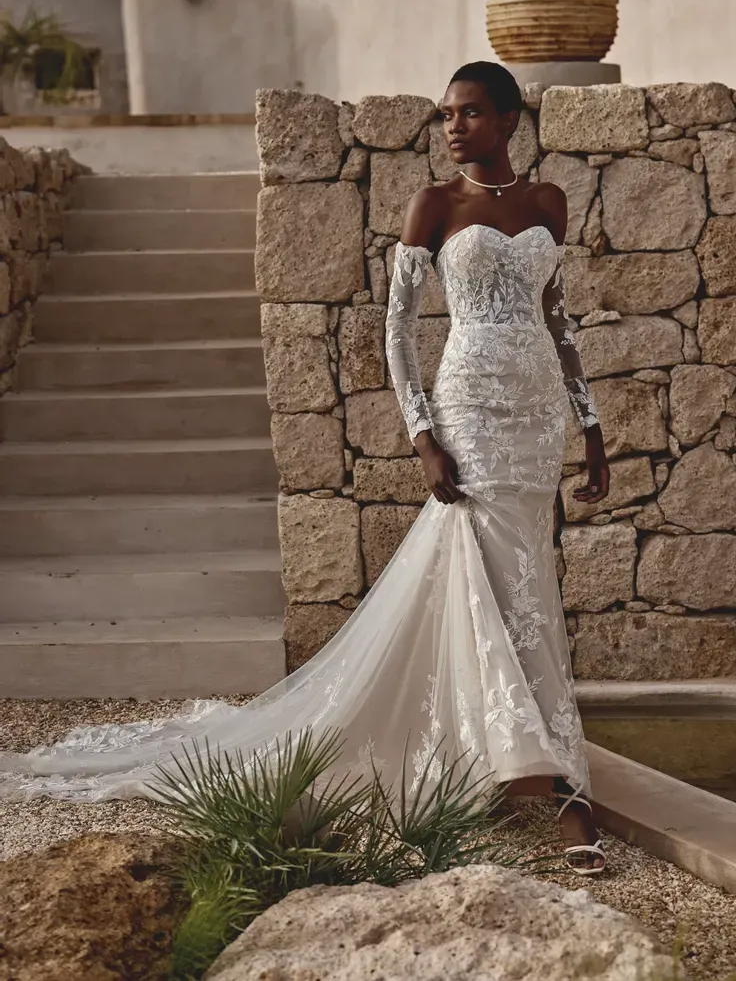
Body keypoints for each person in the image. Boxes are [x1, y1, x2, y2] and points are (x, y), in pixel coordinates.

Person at [0, 61, 609, 874]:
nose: (452, 127)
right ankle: (555, 780)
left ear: (506, 119)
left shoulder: (548, 203)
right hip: (467, 410)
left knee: (527, 581)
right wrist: (422, 435)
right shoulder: (433, 205)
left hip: (535, 420)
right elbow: (397, 333)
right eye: (445, 115)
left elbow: (557, 318)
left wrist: (592, 426)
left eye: (468, 113)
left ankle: (508, 764)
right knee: (487, 578)